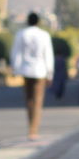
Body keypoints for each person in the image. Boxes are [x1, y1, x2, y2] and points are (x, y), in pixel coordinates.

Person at [10, 12, 54, 140]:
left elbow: (16, 53)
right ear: (38, 22)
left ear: (27, 21)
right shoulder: (44, 35)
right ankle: (34, 129)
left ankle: (31, 127)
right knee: (37, 101)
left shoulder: (21, 34)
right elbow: (48, 55)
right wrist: (50, 73)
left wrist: (15, 69)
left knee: (29, 100)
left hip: (26, 71)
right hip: (40, 72)